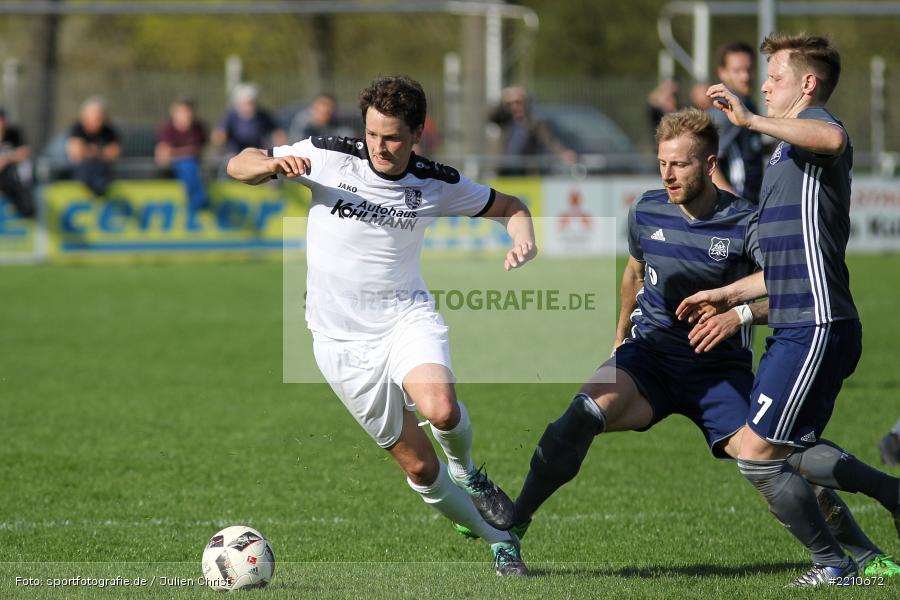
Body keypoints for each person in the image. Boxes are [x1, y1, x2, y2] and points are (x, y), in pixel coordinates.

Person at [478, 108, 900, 582]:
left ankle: (868, 541)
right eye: (662, 163)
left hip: (717, 372)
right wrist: (620, 336)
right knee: (580, 416)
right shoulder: (646, 210)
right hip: (650, 358)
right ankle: (513, 526)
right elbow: (634, 273)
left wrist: (738, 314)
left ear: (709, 163)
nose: (668, 173)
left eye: (680, 164)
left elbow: (787, 289)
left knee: (779, 457)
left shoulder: (746, 223)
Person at [226, 75, 536, 576]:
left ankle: (470, 473)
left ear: (417, 133)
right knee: (419, 467)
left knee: (441, 408)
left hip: (404, 318)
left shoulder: (436, 181)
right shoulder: (327, 154)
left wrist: (523, 239)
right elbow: (237, 162)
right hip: (338, 343)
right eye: (372, 134)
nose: (379, 147)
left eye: (392, 137)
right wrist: (266, 164)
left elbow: (511, 207)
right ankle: (498, 540)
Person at [677, 33, 900, 586]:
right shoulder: (781, 157)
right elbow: (783, 260)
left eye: (774, 74)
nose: (766, 83)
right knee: (792, 451)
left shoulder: (818, 131)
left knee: (756, 453)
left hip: (816, 324)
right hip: (799, 323)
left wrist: (751, 121)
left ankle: (834, 565)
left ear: (807, 84)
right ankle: (890, 496)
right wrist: (729, 296)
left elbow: (831, 137)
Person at [708, 42, 765, 204]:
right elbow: (706, 160)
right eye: (737, 71)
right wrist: (735, 204)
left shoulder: (749, 105)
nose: (745, 77)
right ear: (722, 73)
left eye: (749, 69)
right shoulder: (723, 111)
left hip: (752, 202)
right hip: (735, 209)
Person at [488, 85, 577, 176]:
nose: (514, 106)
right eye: (511, 103)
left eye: (518, 102)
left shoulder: (534, 122)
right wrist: (504, 99)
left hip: (525, 170)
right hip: (504, 168)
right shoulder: (504, 119)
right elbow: (489, 115)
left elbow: (548, 140)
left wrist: (562, 152)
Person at [155, 96, 209, 211]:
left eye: (189, 111)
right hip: (171, 168)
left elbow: (202, 151)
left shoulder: (198, 127)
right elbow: (164, 155)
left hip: (195, 166)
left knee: (190, 165)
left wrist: (183, 152)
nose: (187, 114)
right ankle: (198, 200)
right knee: (187, 165)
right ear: (174, 113)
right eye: (183, 111)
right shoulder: (167, 128)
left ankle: (197, 200)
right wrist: (188, 152)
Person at [212, 83, 287, 159]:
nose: (250, 107)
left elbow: (278, 133)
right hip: (235, 155)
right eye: (247, 103)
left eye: (252, 103)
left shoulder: (262, 115)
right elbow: (219, 134)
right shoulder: (231, 116)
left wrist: (280, 149)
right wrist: (221, 143)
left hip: (258, 153)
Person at [66, 97, 121, 196]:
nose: (97, 122)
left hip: (103, 170)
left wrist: (89, 151)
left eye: (99, 118)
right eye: (94, 118)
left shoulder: (108, 131)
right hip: (83, 171)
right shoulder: (77, 129)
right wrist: (101, 152)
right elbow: (76, 153)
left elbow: (114, 153)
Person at [0, 109, 34, 218]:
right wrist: (13, 157)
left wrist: (7, 159)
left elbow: (25, 152)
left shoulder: (13, 134)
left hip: (13, 178)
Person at [287, 94, 354, 142]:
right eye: (321, 112)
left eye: (328, 113)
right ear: (313, 109)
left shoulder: (337, 124)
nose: (324, 116)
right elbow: (298, 143)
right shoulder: (303, 123)